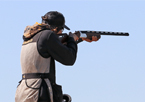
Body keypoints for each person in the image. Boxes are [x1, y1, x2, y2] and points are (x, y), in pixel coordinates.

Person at [15, 11, 100, 102]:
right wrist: (72, 39)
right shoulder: (48, 35)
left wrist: (79, 39)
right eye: (61, 30)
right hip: (40, 92)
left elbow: (57, 48)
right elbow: (69, 59)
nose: (61, 32)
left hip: (25, 91)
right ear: (56, 28)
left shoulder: (32, 37)